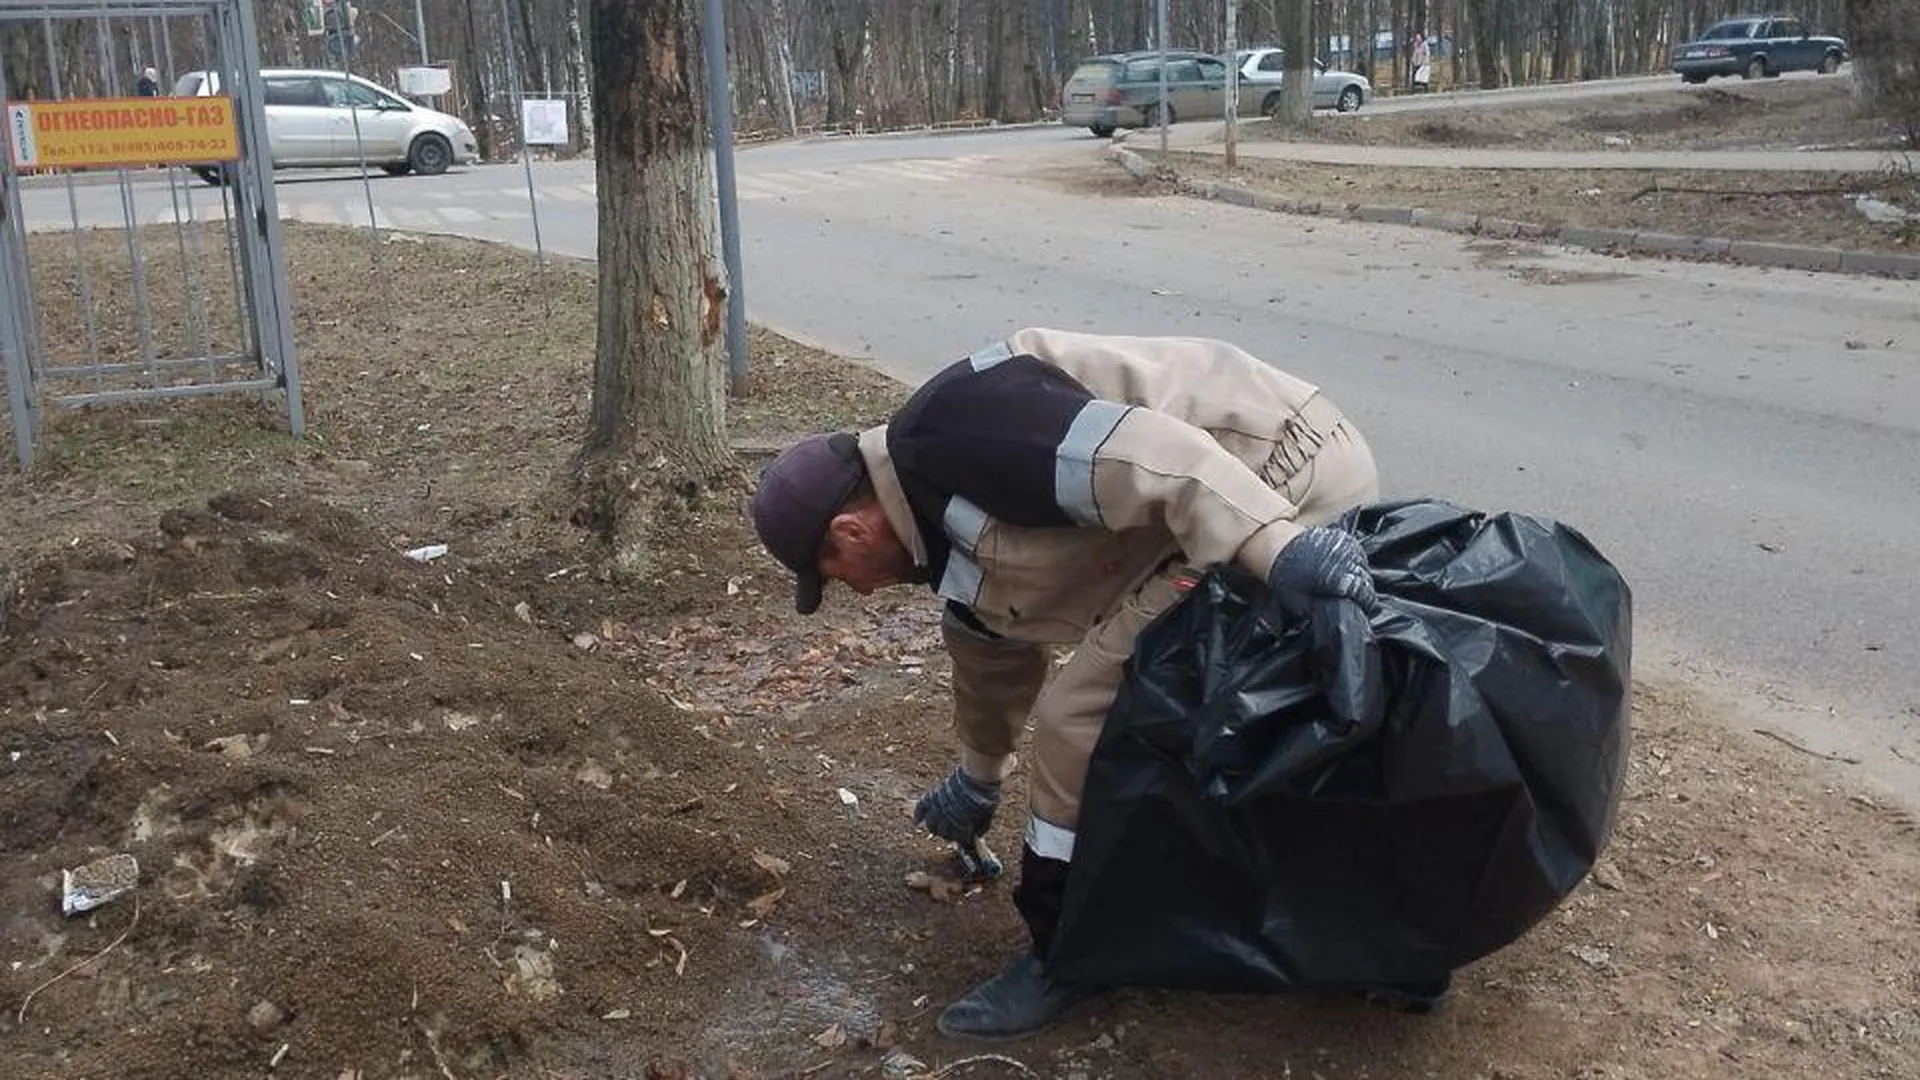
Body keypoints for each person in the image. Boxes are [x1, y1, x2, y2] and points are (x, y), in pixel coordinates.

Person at [749, 328, 1384, 1040]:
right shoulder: (933, 526)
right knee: (1167, 718)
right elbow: (988, 651)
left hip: (1278, 479)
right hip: (1215, 512)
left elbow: (1161, 458)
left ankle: (1072, 952)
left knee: (1077, 714)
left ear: (852, 531)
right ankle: (1365, 925)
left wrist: (1284, 551)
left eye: (838, 579)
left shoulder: (961, 433)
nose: (861, 596)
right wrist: (978, 778)